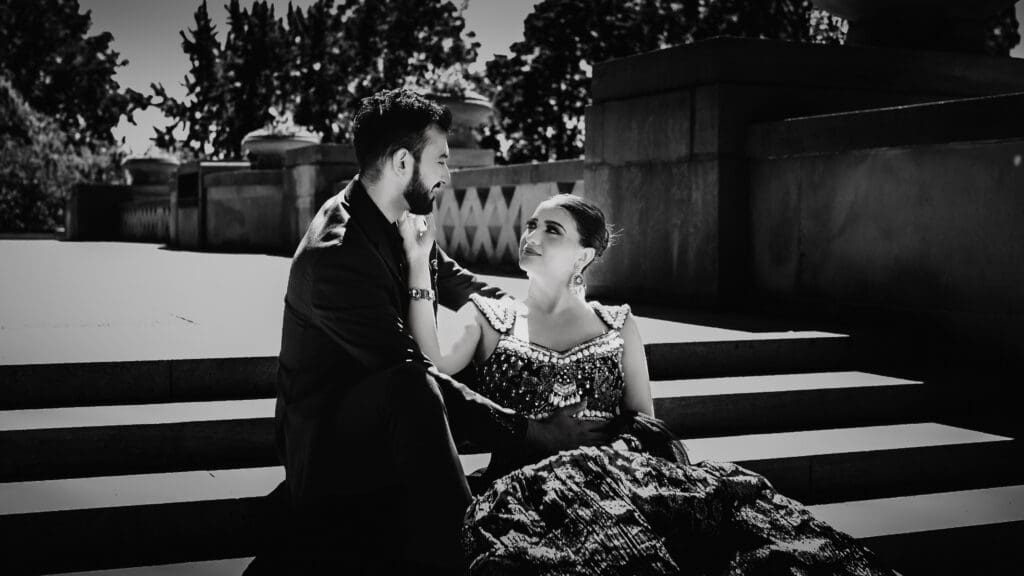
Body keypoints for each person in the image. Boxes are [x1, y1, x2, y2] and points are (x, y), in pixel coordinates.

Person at [399, 194, 899, 575]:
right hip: (525, 495)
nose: (532, 233)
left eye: (552, 229)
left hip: (621, 482)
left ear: (583, 255)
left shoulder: (617, 323)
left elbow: (646, 421)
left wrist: (614, 460)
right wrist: (420, 264)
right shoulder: (487, 315)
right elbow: (429, 363)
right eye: (531, 224)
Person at [248, 89, 608, 575]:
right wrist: (533, 430)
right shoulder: (337, 254)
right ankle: (468, 553)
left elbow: (462, 284)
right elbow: (414, 373)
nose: (447, 174)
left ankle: (534, 490)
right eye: (440, 160)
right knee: (415, 387)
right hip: (330, 453)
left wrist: (538, 321)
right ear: (402, 162)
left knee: (500, 346)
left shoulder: (394, 216)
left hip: (386, 420)